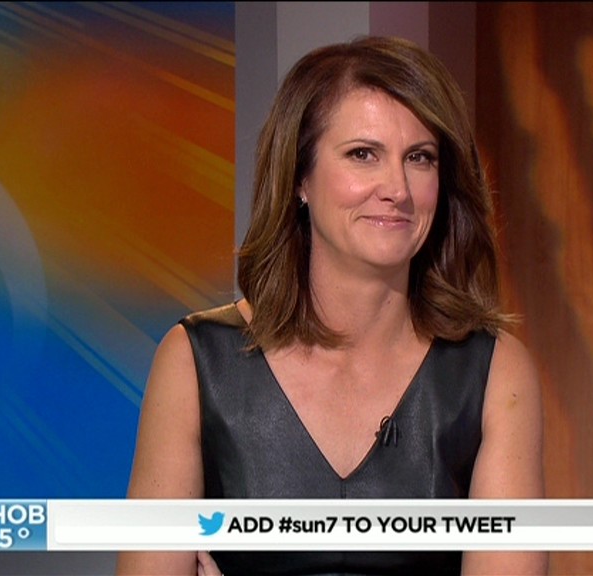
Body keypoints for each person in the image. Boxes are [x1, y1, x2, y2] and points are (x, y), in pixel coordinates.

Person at [116, 35, 546, 576]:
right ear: (301, 177)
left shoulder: (494, 373)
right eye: (363, 155)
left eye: (420, 158)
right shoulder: (194, 363)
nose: (397, 189)